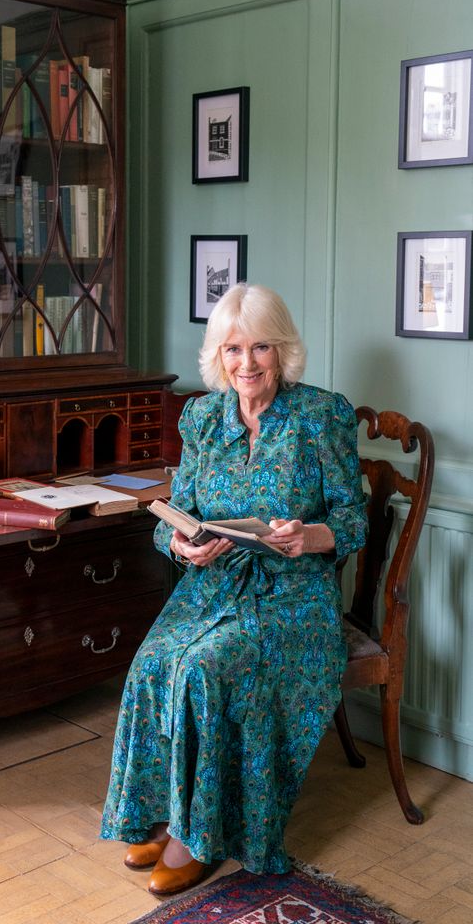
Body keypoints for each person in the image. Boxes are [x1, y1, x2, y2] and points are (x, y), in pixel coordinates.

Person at [99, 282, 368, 897]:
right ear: (217, 356)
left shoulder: (321, 414)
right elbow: (180, 511)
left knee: (204, 668)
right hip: (212, 586)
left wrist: (310, 536)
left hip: (292, 595)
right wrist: (182, 545)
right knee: (152, 664)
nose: (246, 364)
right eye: (232, 350)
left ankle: (199, 839)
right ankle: (167, 816)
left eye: (261, 348)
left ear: (284, 350)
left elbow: (353, 518)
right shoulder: (201, 417)